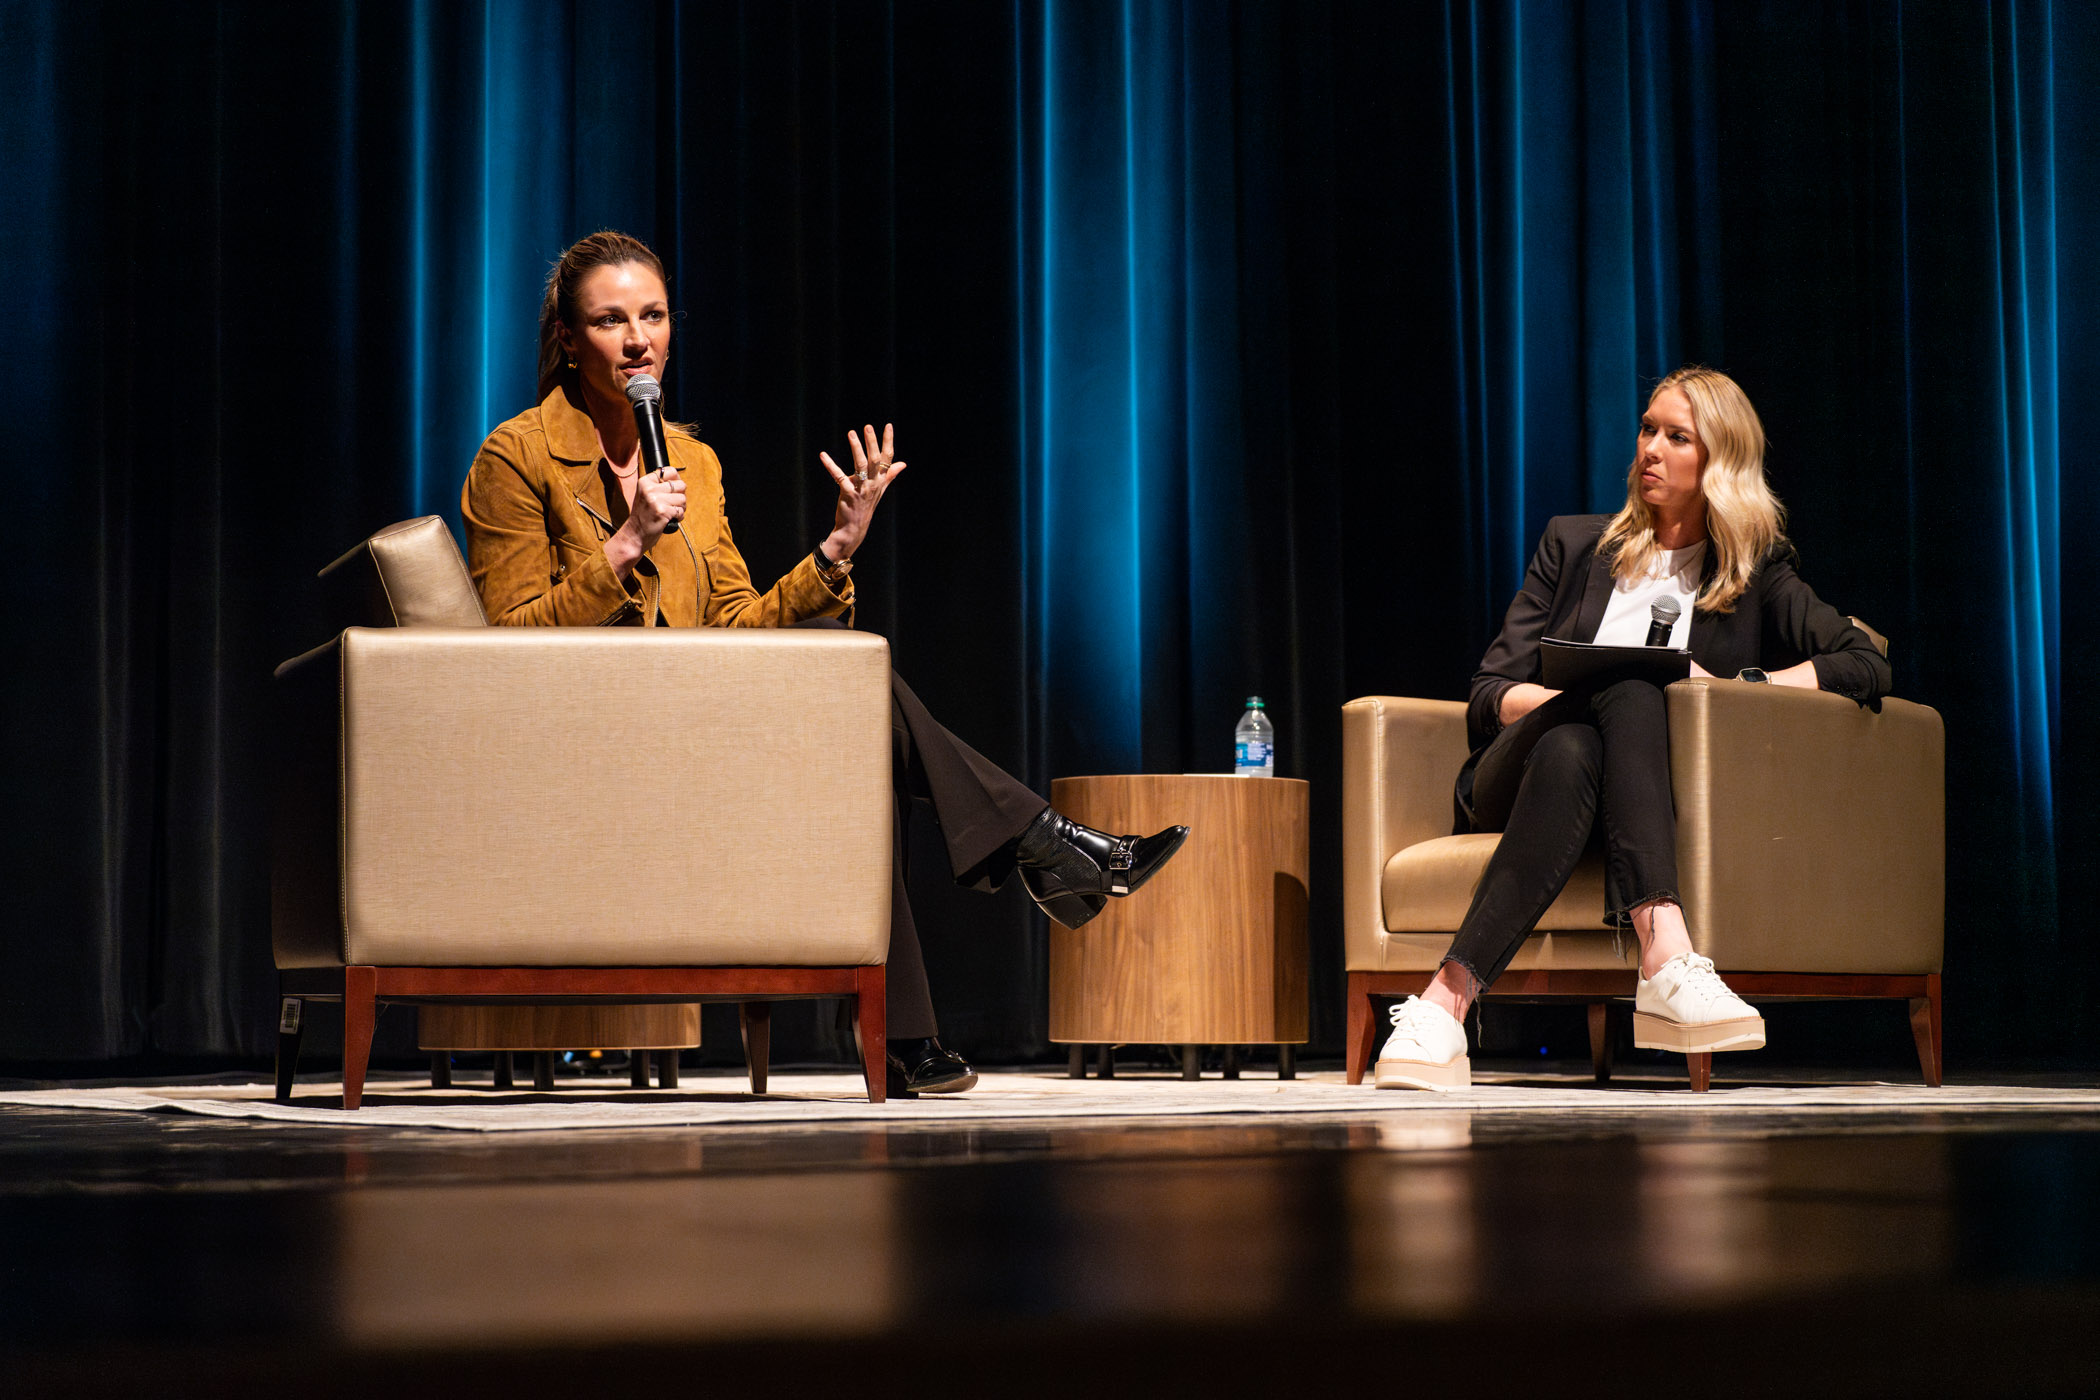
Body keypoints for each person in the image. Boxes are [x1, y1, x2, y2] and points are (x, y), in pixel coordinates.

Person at [460, 230, 1188, 1095]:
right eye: (611, 321)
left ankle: (914, 1025)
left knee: (856, 707)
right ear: (568, 339)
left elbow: (734, 619)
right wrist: (621, 546)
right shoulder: (517, 457)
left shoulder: (690, 460)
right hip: (589, 742)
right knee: (861, 709)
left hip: (695, 719)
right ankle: (1042, 859)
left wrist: (836, 551)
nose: (638, 339)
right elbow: (500, 644)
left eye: (652, 315)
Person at [1373, 366, 1891, 1090]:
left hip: (1609, 784)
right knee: (1620, 688)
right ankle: (1666, 958)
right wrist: (1578, 693)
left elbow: (1863, 663)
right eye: (1648, 429)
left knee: (1585, 740)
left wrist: (1737, 688)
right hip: (1509, 777)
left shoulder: (1755, 572)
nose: (1650, 448)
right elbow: (1489, 692)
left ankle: (1443, 1007)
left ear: (1719, 461)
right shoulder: (1574, 545)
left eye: (1676, 436)